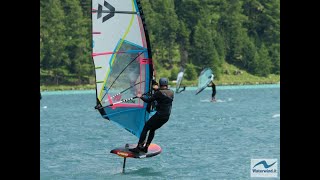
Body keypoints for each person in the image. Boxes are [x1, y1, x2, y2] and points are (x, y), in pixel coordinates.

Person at [130, 77, 174, 153]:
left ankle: (139, 147)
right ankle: (146, 147)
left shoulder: (158, 93)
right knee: (152, 129)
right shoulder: (171, 92)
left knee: (146, 127)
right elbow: (163, 94)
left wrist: (141, 96)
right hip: (166, 117)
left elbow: (148, 100)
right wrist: (156, 89)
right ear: (167, 84)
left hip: (159, 116)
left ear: (160, 84)